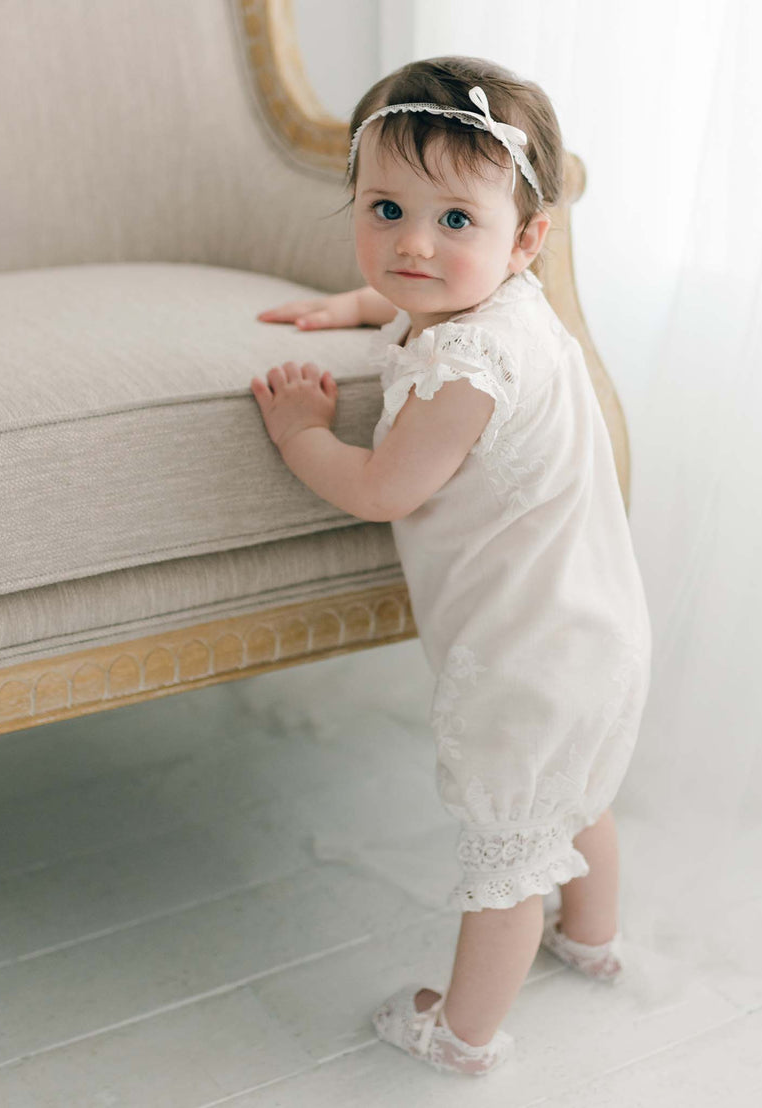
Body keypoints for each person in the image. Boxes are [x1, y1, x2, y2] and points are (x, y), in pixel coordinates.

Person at [249, 56, 651, 1077]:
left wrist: (301, 433)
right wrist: (359, 305)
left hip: (522, 656)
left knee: (509, 845)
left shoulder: (462, 371)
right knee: (577, 794)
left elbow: (386, 486)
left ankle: (463, 1031)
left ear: (525, 239)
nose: (413, 245)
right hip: (597, 627)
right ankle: (593, 938)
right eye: (384, 208)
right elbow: (421, 302)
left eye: (453, 222)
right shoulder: (505, 313)